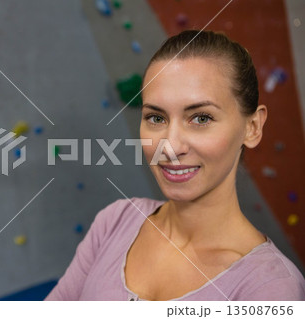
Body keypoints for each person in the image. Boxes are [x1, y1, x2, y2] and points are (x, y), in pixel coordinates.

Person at [45, 30, 305, 301]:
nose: (170, 145)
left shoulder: (270, 287)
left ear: (252, 128)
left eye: (201, 118)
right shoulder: (115, 221)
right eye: (156, 118)